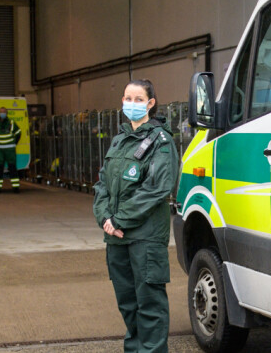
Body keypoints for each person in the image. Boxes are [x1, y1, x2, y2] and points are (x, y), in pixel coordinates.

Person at [93, 79, 179, 353]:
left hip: (145, 238)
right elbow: (102, 184)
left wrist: (119, 220)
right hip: (117, 238)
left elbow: (157, 188)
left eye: (138, 99)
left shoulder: (161, 141)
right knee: (128, 304)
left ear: (151, 103)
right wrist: (105, 218)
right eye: (127, 98)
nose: (131, 104)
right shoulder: (119, 141)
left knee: (149, 306)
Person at [0, 106, 22, 193]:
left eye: (3, 112)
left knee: (12, 168)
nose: (2, 113)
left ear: (6, 113)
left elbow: (18, 133)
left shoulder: (11, 123)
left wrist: (14, 143)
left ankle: (16, 188)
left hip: (9, 150)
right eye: (1, 112)